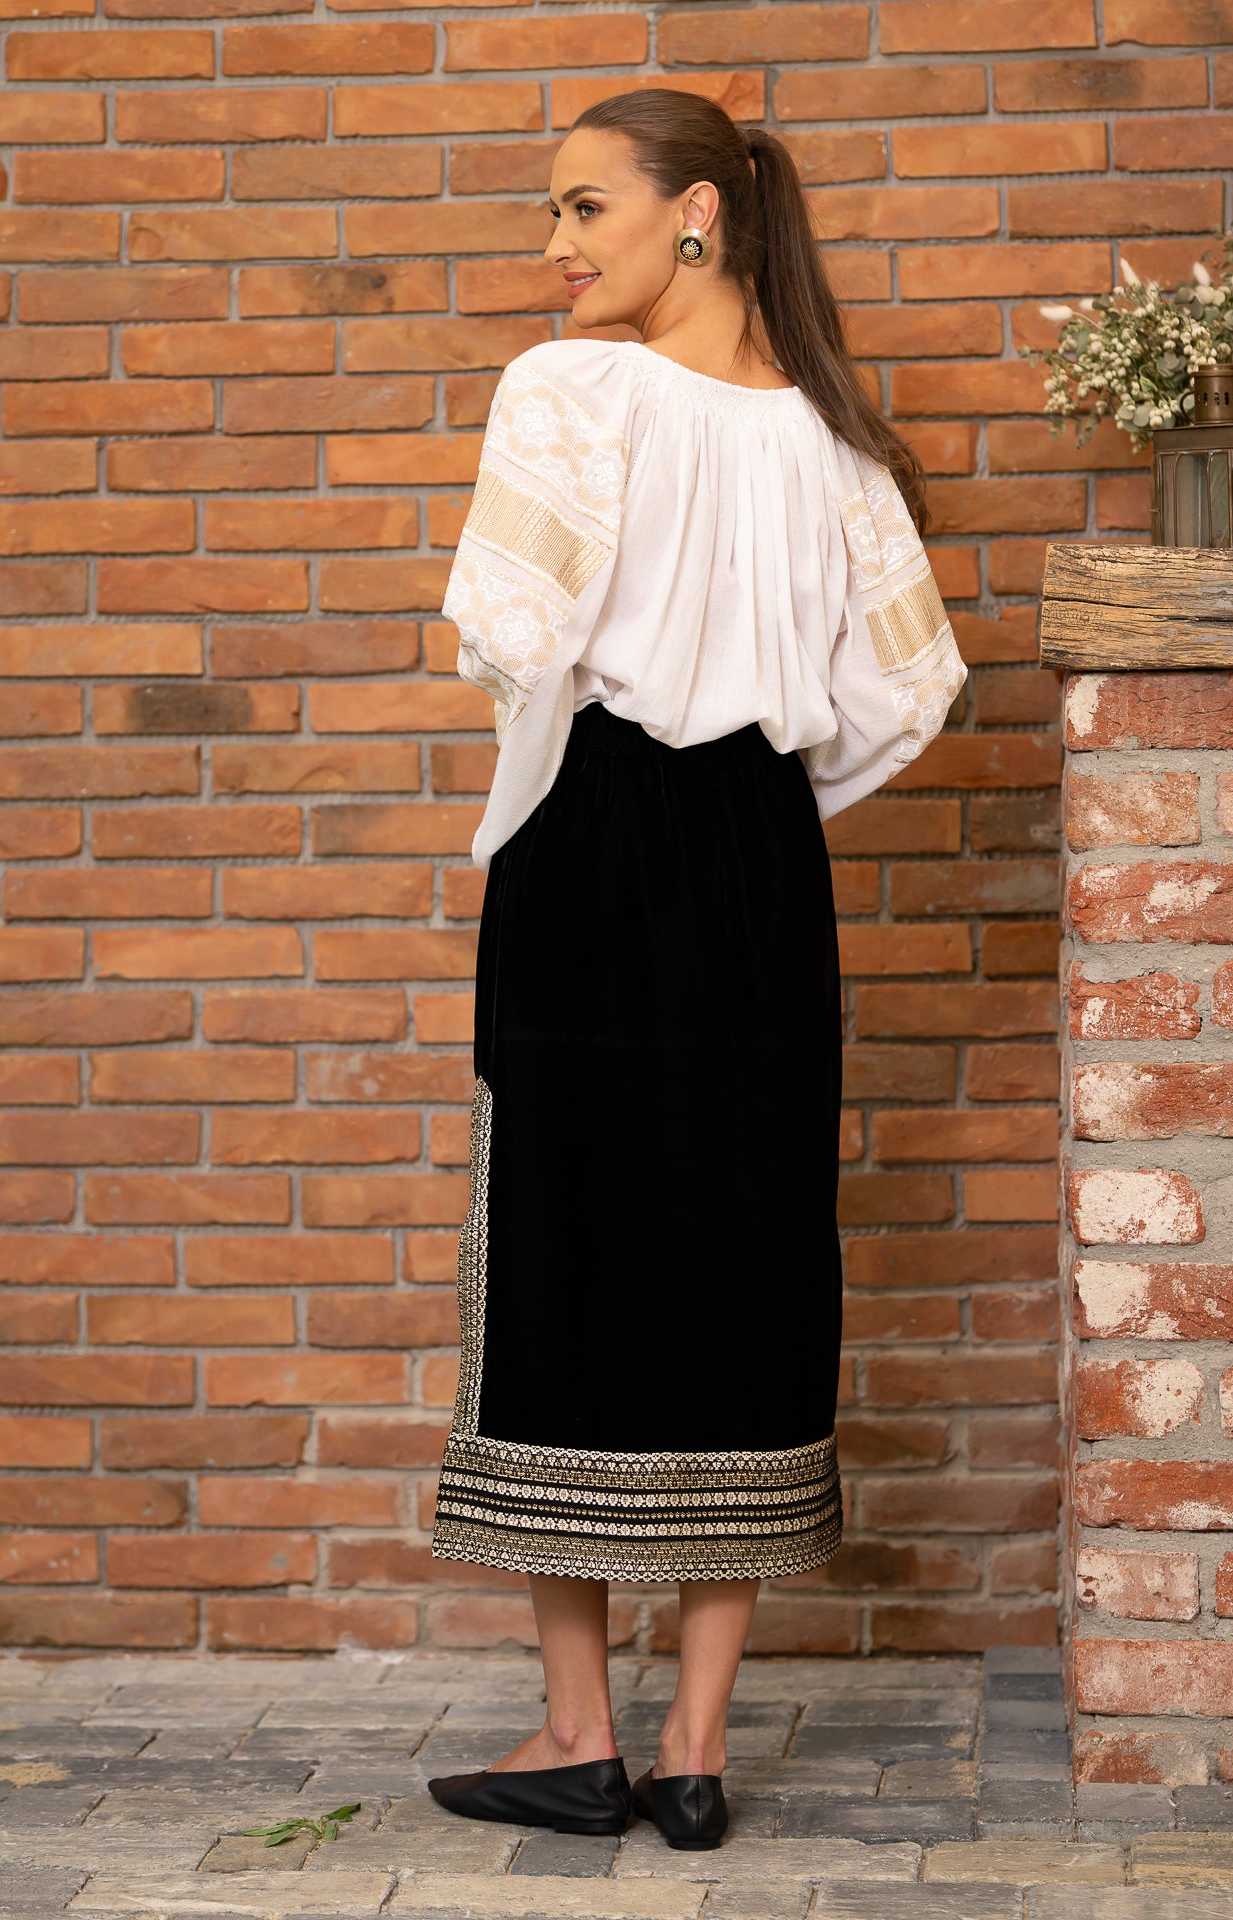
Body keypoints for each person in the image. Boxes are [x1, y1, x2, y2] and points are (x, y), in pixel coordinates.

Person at [425, 87, 967, 1852]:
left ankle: (575, 1733)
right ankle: (694, 1749)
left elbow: (508, 632)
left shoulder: (566, 391)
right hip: (760, 860)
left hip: (592, 843)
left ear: (697, 214)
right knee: (746, 1247)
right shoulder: (837, 444)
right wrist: (762, 787)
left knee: (565, 1244)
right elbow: (910, 693)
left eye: (583, 207)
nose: (555, 247)